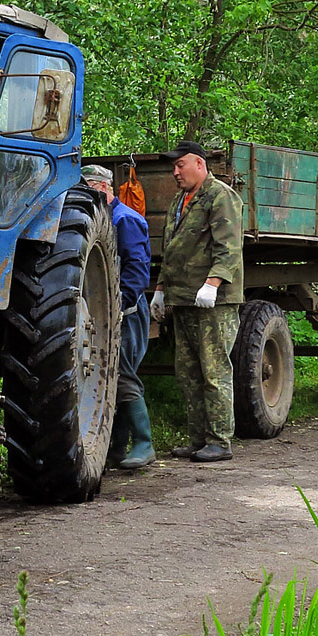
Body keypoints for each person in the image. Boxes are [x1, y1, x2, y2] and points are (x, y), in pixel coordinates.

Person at [149, 141, 244, 463]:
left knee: (214, 371)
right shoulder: (180, 199)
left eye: (181, 165)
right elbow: (172, 248)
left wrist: (212, 284)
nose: (175, 172)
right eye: (173, 167)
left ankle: (220, 440)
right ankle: (198, 438)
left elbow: (229, 247)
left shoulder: (221, 196)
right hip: (184, 298)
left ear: (200, 164)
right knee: (188, 372)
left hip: (212, 302)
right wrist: (161, 288)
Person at [81, 164, 155, 469]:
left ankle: (144, 443)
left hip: (128, 309)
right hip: (110, 308)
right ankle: (116, 447)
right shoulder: (106, 217)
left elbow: (137, 271)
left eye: (85, 190)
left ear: (100, 188)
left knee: (121, 371)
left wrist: (117, 309)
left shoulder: (126, 219)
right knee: (108, 372)